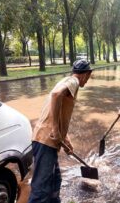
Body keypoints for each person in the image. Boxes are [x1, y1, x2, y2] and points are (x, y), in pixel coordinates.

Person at [28, 59, 92, 203]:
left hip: (48, 140)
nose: (87, 81)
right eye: (88, 77)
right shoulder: (73, 81)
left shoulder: (66, 80)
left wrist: (65, 138)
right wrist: (56, 130)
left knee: (55, 180)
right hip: (45, 140)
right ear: (86, 74)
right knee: (41, 187)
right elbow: (56, 95)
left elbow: (58, 113)